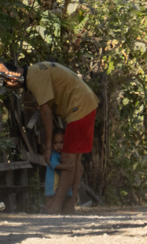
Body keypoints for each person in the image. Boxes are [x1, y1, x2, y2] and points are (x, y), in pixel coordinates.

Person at [21, 62, 98, 215]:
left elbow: (46, 112)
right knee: (74, 160)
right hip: (84, 104)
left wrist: (48, 147)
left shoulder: (34, 76)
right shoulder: (38, 71)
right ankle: (68, 206)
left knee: (69, 158)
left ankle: (57, 206)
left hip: (79, 107)